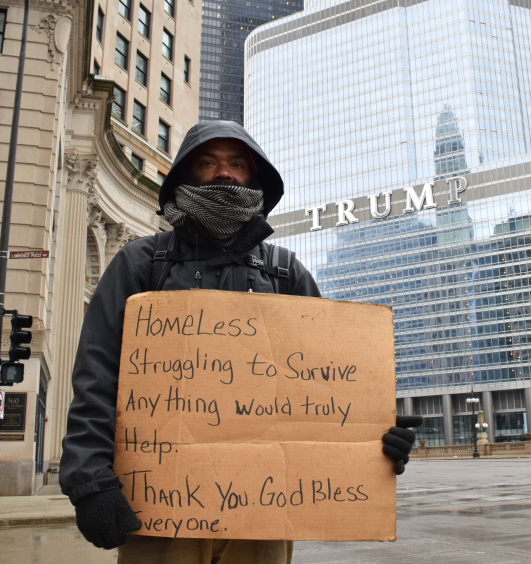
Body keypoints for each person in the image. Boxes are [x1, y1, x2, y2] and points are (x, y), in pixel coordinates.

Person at [59, 121, 423, 563]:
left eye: (237, 163)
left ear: (255, 177)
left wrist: (374, 439)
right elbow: (97, 376)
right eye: (207, 162)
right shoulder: (139, 263)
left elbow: (327, 388)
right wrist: (91, 482)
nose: (224, 173)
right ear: (185, 176)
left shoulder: (286, 272)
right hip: (159, 506)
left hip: (265, 512)